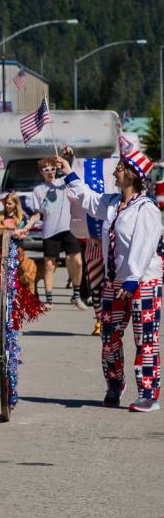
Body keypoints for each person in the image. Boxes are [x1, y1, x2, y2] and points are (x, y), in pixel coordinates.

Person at [59, 141, 163, 411]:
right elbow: (88, 198)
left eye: (119, 168)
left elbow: (144, 246)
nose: (115, 172)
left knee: (145, 339)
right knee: (109, 338)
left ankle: (148, 394)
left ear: (131, 174)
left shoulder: (147, 209)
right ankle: (115, 384)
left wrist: (131, 280)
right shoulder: (113, 202)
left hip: (143, 282)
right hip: (114, 282)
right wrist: (69, 171)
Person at [12, 157, 86, 311]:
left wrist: (68, 158)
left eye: (52, 168)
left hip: (68, 228)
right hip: (50, 231)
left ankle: (77, 295)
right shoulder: (38, 190)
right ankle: (49, 300)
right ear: (41, 172)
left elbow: (74, 174)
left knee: (78, 261)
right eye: (46, 170)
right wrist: (27, 227)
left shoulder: (63, 182)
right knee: (49, 266)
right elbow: (37, 213)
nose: (50, 172)